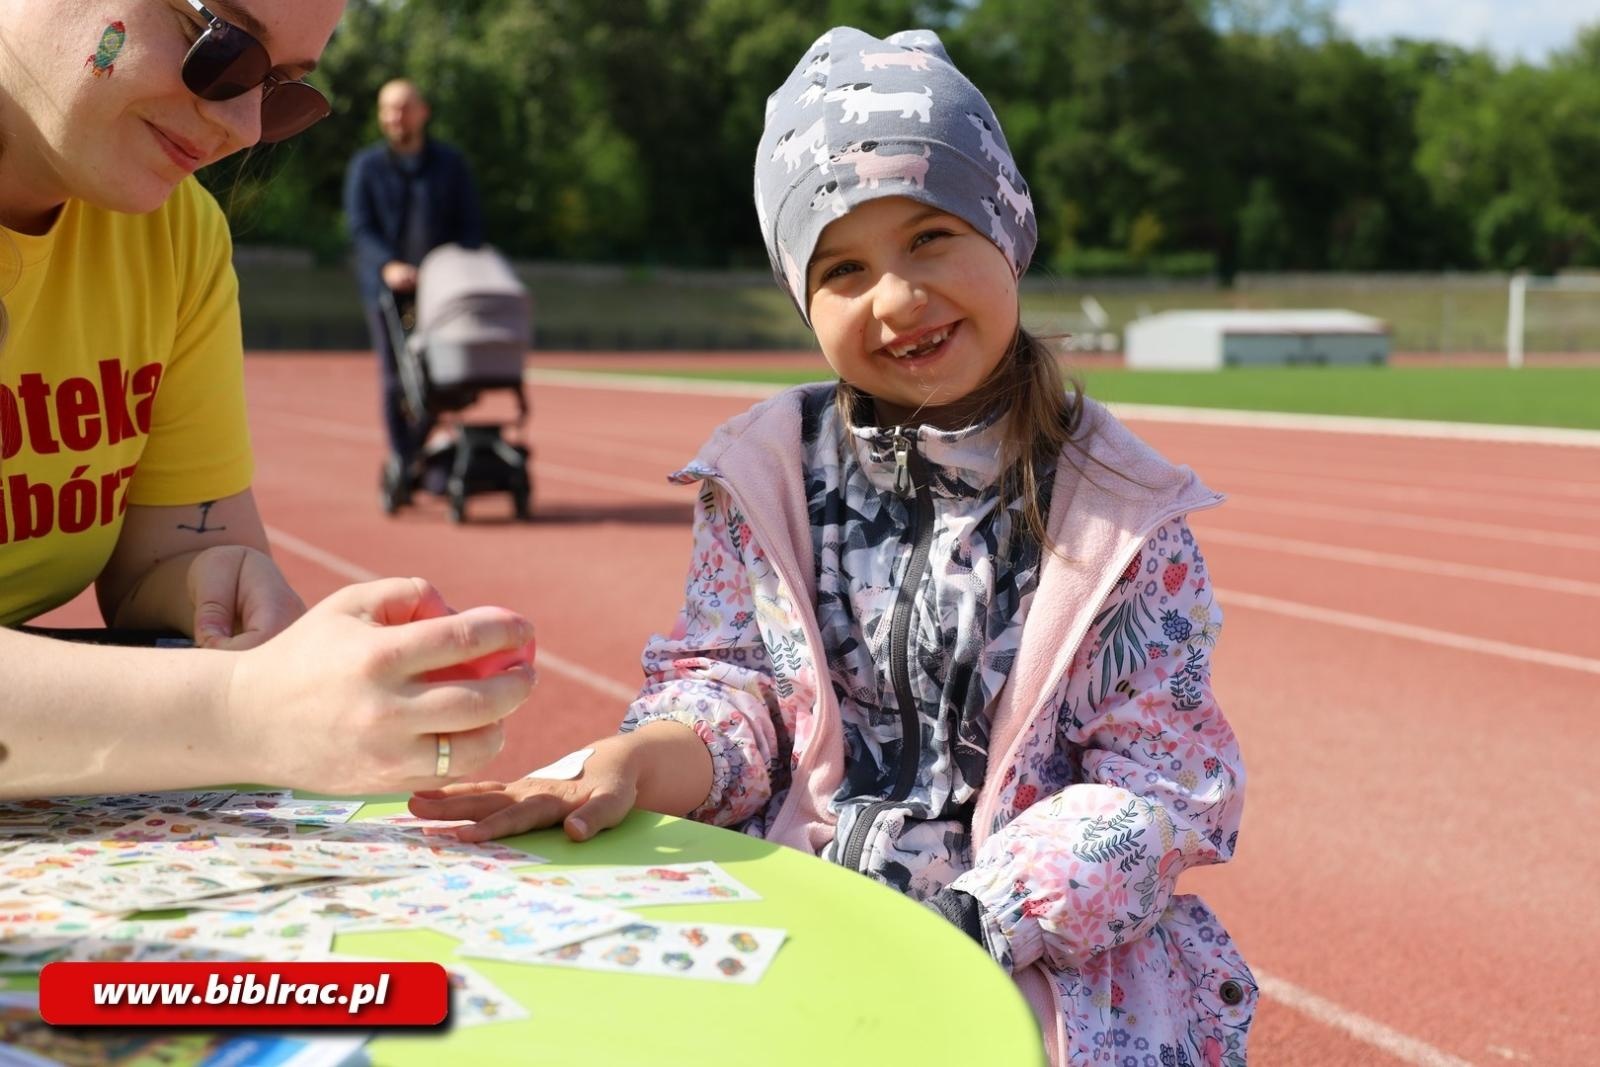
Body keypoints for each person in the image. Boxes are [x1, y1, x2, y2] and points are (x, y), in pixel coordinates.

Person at [412, 26, 1254, 1065]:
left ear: (1007, 229)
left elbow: (1157, 781)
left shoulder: (1121, 509)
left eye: (930, 236)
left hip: (1029, 949)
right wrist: (632, 762)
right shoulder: (765, 469)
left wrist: (978, 918)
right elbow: (735, 694)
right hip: (800, 912)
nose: (896, 298)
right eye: (843, 267)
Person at [0, 1, 533, 799]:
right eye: (223, 46)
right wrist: (242, 709)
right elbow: (237, 711)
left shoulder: (175, 235)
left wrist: (214, 579)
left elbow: (164, 553)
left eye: (283, 91)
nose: (246, 126)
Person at [342, 78, 484, 499]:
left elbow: (471, 225)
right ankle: (404, 460)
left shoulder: (450, 165)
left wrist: (454, 269)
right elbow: (360, 228)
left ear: (423, 112)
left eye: (403, 108)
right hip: (386, 292)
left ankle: (412, 456)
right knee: (394, 378)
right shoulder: (366, 167)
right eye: (387, 109)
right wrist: (388, 265)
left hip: (442, 295)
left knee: (442, 378)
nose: (395, 117)